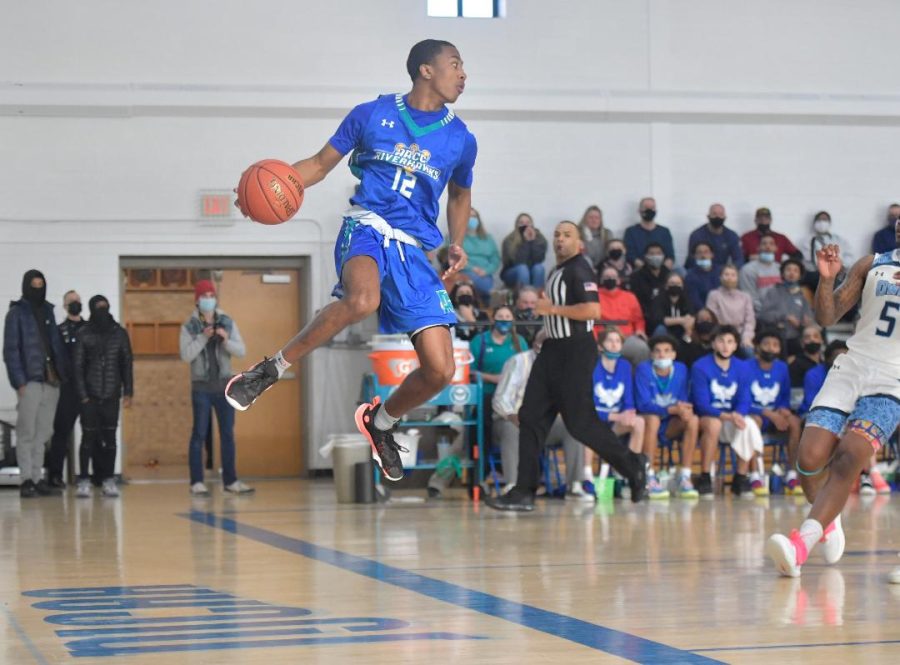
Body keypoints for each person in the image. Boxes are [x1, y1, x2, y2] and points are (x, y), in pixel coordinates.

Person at [226, 40, 477, 483]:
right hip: (367, 225)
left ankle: (381, 423)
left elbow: (459, 194)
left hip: (413, 249)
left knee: (441, 370)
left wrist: (456, 241)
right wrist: (265, 189)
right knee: (362, 300)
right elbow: (320, 165)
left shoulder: (461, 139)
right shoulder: (371, 114)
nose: (463, 74)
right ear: (425, 70)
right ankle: (270, 370)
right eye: (454, 65)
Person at [766, 226, 900, 583]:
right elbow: (828, 317)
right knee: (809, 458)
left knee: (850, 455)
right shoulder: (871, 265)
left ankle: (799, 547)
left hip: (892, 380)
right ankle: (829, 517)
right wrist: (826, 281)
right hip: (851, 367)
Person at [485, 221, 648, 511]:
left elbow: (593, 311)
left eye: (567, 235)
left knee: (580, 424)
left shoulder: (579, 269)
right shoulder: (556, 271)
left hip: (575, 351)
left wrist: (552, 310)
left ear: (579, 243)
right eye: (557, 235)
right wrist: (549, 325)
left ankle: (632, 464)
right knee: (531, 416)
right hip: (552, 349)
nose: (560, 239)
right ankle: (523, 491)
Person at [491, 331, 588, 500]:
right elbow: (500, 399)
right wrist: (513, 415)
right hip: (513, 419)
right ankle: (514, 486)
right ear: (537, 345)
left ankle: (575, 485)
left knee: (573, 426)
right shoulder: (518, 361)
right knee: (511, 428)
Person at [181, 280, 253, 496]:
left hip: (225, 387)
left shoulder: (227, 321)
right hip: (201, 388)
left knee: (227, 434)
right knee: (199, 434)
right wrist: (203, 337)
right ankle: (197, 482)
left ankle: (231, 481)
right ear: (197, 300)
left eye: (211, 296)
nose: (208, 299)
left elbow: (241, 351)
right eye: (205, 296)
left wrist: (225, 340)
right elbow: (186, 355)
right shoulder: (189, 326)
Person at [3, 269, 67, 498]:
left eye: (41, 283)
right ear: (26, 285)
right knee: (26, 432)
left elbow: (56, 346)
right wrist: (18, 381)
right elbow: (10, 351)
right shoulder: (16, 314)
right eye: (34, 284)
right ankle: (26, 480)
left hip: (51, 381)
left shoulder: (49, 311)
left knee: (43, 433)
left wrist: (62, 376)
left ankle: (38, 479)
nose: (38, 288)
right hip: (29, 380)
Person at [72, 296, 133, 498]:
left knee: (110, 440)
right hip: (89, 397)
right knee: (87, 439)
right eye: (98, 308)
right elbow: (78, 367)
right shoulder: (84, 334)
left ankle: (108, 480)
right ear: (91, 309)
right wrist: (83, 396)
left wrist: (128, 392)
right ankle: (83, 480)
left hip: (111, 396)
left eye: (105, 307)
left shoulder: (119, 333)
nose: (102, 311)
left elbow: (126, 364)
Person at [690, 325, 761, 498]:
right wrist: (727, 416)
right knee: (713, 425)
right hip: (709, 417)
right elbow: (701, 404)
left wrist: (738, 414)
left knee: (748, 423)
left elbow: (745, 398)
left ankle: (740, 478)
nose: (725, 346)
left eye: (730, 342)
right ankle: (705, 477)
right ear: (713, 344)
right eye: (721, 341)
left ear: (736, 345)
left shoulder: (743, 367)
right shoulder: (700, 366)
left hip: (732, 417)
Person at [635, 335, 699, 499]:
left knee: (692, 420)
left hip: (670, 425)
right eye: (657, 351)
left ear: (674, 355)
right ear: (651, 355)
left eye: (666, 351)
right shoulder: (643, 369)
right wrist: (671, 409)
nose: (662, 355)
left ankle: (684, 476)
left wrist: (684, 410)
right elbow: (643, 405)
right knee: (653, 418)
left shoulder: (681, 369)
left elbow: (683, 400)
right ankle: (648, 475)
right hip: (649, 424)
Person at [745, 330, 801, 497]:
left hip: (775, 414)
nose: (770, 348)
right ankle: (755, 476)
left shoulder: (782, 368)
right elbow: (743, 401)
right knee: (753, 422)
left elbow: (784, 395)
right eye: (766, 344)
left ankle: (792, 474)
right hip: (755, 413)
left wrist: (783, 409)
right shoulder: (746, 367)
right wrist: (769, 414)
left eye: (775, 345)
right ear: (757, 347)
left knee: (795, 422)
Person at [469, 305, 528, 456]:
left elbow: (528, 368)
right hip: (487, 394)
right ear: (493, 319)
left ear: (513, 320)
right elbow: (470, 372)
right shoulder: (480, 341)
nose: (504, 320)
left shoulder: (519, 342)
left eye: (508, 317)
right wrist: (494, 379)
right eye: (500, 317)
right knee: (482, 423)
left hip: (514, 396)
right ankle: (483, 465)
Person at [794, 339, 848, 495]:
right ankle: (812, 475)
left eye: (845, 357)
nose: (841, 361)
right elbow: (813, 403)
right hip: (814, 413)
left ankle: (863, 475)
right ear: (828, 359)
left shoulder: (853, 376)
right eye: (837, 357)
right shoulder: (814, 374)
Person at [591, 329, 645, 478]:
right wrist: (614, 416)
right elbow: (587, 406)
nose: (614, 345)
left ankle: (630, 472)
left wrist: (629, 413)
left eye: (618, 341)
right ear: (600, 346)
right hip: (595, 421)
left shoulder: (625, 366)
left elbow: (628, 399)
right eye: (610, 341)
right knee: (585, 427)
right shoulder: (592, 366)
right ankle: (586, 477)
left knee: (638, 422)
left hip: (615, 424)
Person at [47, 289, 86, 488]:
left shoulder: (90, 329)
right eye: (71, 301)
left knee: (92, 434)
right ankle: (55, 475)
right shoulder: (58, 330)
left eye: (78, 301)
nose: (75, 304)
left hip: (88, 388)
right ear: (64, 305)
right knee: (61, 432)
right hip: (67, 388)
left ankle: (92, 476)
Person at [757, 259, 815, 356]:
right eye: (788, 270)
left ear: (800, 275)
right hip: (777, 337)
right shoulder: (774, 291)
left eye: (795, 270)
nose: (792, 273)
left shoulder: (802, 295)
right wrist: (785, 317)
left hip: (797, 338)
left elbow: (808, 317)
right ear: (782, 273)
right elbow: (763, 315)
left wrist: (805, 322)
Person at [706, 264, 755, 352]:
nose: (729, 278)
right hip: (721, 334)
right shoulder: (714, 295)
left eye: (733, 275)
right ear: (720, 277)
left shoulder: (745, 297)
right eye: (726, 274)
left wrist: (746, 337)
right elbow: (712, 319)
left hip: (741, 334)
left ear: (737, 278)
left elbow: (749, 321)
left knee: (749, 352)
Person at [685, 203, 743, 270]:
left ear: (725, 217)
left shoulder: (732, 236)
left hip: (722, 273)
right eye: (714, 214)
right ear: (708, 216)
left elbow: (739, 260)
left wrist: (729, 270)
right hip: (700, 270)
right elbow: (692, 260)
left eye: (721, 214)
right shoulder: (696, 235)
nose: (717, 217)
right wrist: (713, 270)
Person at [459, 207, 500, 302]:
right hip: (465, 272)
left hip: (485, 274)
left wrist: (486, 270)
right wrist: (472, 268)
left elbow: (495, 259)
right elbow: (454, 258)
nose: (472, 219)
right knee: (482, 284)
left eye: (474, 216)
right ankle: (489, 295)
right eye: (468, 216)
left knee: (486, 282)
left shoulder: (488, 238)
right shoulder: (456, 238)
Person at [800, 211, 855, 280]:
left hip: (840, 273)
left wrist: (842, 266)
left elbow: (849, 255)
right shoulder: (808, 241)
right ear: (814, 223)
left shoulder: (839, 240)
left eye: (824, 220)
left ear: (829, 223)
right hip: (818, 275)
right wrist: (828, 268)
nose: (822, 222)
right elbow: (810, 259)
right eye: (819, 220)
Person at [624, 197, 675, 269]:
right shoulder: (631, 232)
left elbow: (670, 256)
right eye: (646, 207)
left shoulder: (664, 232)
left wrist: (662, 271)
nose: (649, 210)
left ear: (656, 210)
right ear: (639, 211)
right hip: (639, 270)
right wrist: (647, 270)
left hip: (661, 270)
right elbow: (630, 255)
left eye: (652, 208)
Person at [739, 234, 784, 315]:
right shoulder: (748, 269)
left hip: (780, 313)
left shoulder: (781, 269)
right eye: (764, 243)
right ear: (758, 247)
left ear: (776, 248)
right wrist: (767, 311)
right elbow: (749, 297)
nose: (768, 246)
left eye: (771, 244)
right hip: (758, 314)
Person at [500, 212, 547, 289]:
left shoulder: (539, 238)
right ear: (517, 225)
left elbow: (539, 259)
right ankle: (524, 297)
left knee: (539, 268)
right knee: (522, 268)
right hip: (512, 272)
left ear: (532, 224)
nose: (525, 225)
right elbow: (517, 261)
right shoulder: (510, 240)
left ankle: (537, 297)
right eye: (521, 223)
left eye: (528, 222)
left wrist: (532, 242)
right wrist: (526, 242)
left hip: (532, 270)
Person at [629, 242, 671, 320]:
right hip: (647, 316)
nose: (655, 256)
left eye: (658, 253)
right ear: (645, 256)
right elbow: (636, 302)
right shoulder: (636, 277)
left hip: (668, 315)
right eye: (651, 254)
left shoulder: (669, 275)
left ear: (664, 256)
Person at [647, 272, 695, 341]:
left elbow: (691, 316)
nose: (675, 286)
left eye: (678, 284)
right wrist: (681, 320)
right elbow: (659, 320)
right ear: (666, 286)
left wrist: (688, 326)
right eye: (672, 283)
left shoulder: (686, 298)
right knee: (660, 328)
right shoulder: (658, 299)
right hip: (665, 331)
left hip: (681, 331)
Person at [684, 242, 721, 311]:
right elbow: (694, 299)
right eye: (699, 253)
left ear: (712, 254)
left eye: (706, 252)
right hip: (702, 312)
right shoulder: (690, 275)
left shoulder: (720, 271)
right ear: (695, 256)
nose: (703, 255)